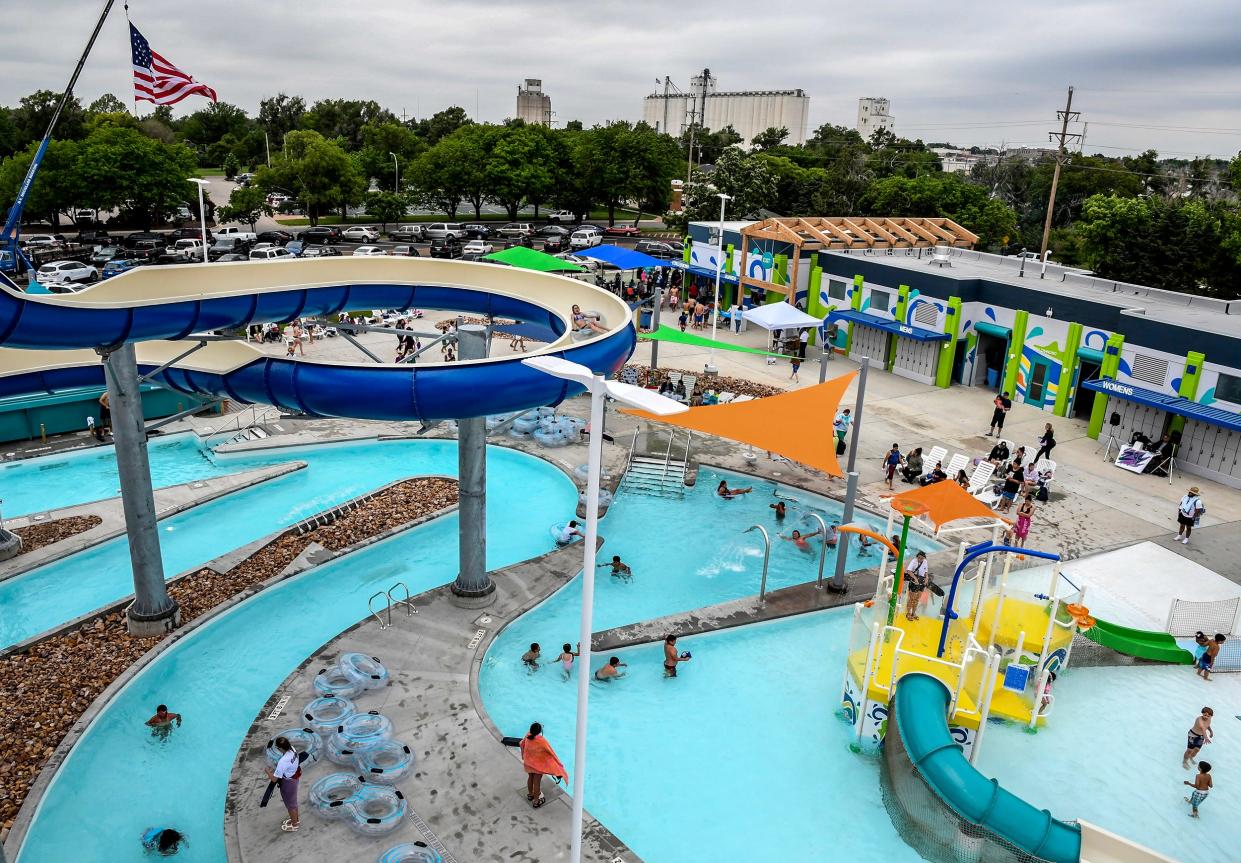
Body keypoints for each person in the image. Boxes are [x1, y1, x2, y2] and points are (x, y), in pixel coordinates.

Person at [520, 722, 567, 808]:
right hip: (538, 766)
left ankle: (530, 794)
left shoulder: (528, 735)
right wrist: (558, 765)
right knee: (537, 782)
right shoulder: (541, 740)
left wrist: (523, 756)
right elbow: (551, 752)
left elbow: (521, 744)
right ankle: (536, 801)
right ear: (539, 731)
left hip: (528, 763)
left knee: (530, 778)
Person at [266, 736, 301, 831]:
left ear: (280, 748)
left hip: (288, 783)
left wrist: (268, 772)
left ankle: (294, 825)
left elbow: (274, 779)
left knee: (290, 805)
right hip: (294, 777)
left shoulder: (283, 761)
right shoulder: (292, 749)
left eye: (277, 747)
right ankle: (296, 820)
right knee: (293, 803)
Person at [903, 551, 930, 621]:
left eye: (922, 558)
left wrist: (927, 577)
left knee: (917, 599)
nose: (920, 559)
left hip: (922, 580)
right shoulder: (914, 561)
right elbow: (909, 571)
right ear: (917, 557)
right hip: (914, 581)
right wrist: (915, 578)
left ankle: (913, 613)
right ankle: (908, 613)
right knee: (911, 599)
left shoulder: (925, 561)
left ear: (924, 558)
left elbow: (926, 571)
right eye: (919, 558)